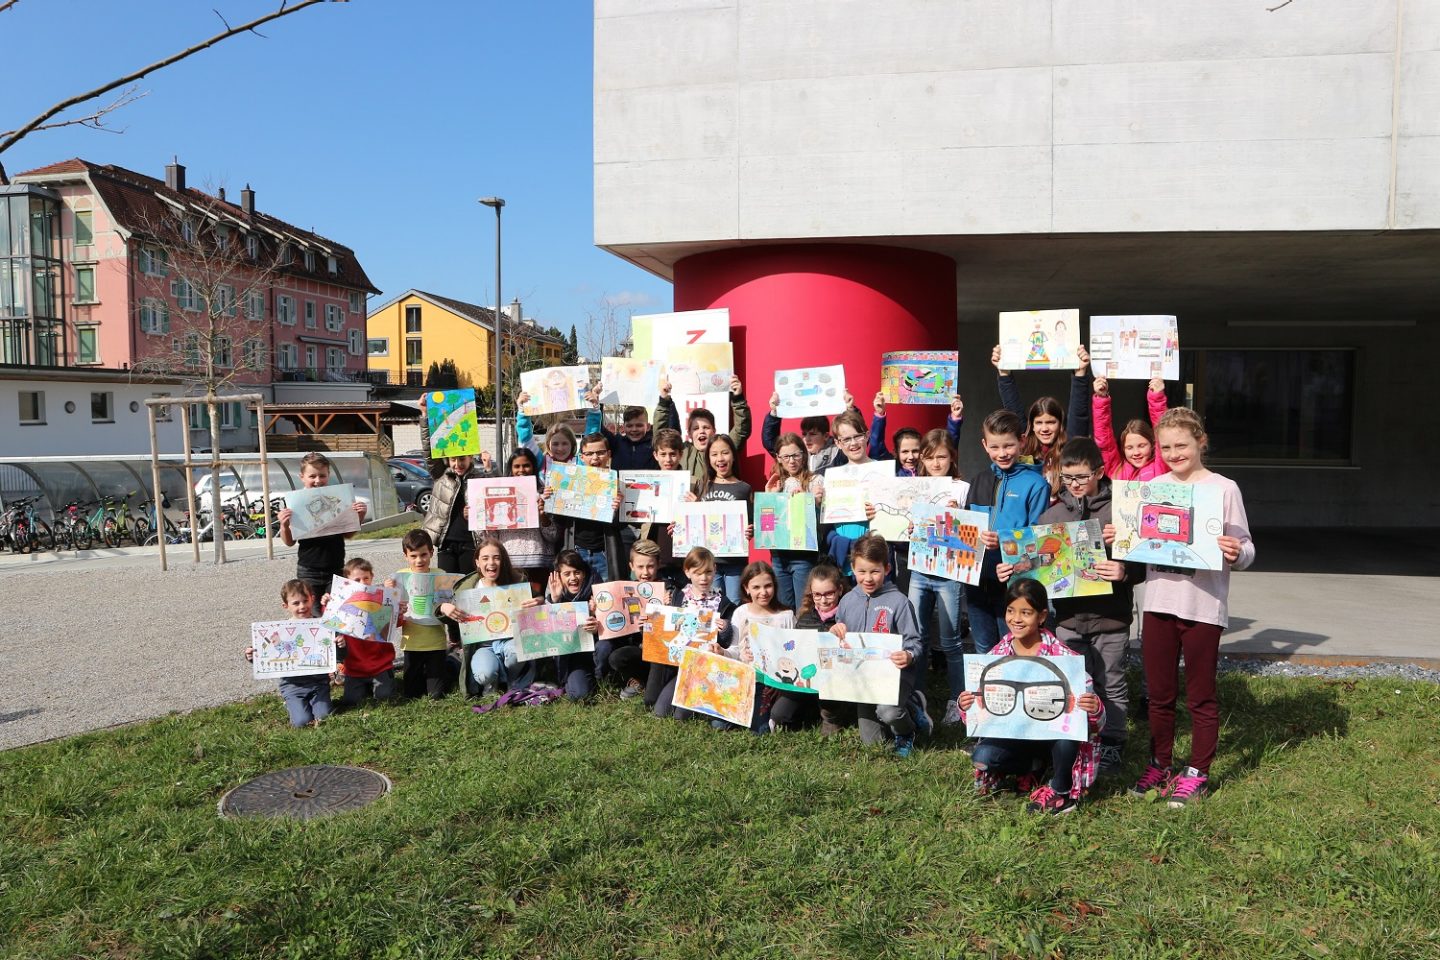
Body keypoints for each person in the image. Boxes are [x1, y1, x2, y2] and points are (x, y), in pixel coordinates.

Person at [1129, 408, 1255, 808]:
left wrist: (1237, 552)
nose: (1172, 453)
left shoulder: (1224, 489)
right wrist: (1122, 534)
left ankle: (1197, 772)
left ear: (1201, 441)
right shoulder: (1151, 486)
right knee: (1160, 695)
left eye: (1180, 445)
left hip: (1203, 606)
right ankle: (1160, 763)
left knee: (1201, 696)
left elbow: (1248, 548)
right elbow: (1138, 542)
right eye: (1165, 447)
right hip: (1159, 604)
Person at [997, 437, 1139, 772]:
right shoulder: (1052, 514)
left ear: (1100, 472)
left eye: (1081, 477)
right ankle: (1074, 739)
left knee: (1112, 682)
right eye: (1067, 478)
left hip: (1112, 618)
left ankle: (1113, 742)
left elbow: (1144, 563)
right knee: (1071, 682)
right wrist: (1012, 570)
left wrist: (1123, 570)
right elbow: (1034, 567)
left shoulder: (1121, 510)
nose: (1074, 484)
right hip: (1069, 621)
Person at [960, 579, 1105, 814]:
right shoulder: (997, 655)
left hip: (1053, 740)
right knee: (982, 756)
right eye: (1010, 611)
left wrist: (1093, 707)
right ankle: (1031, 766)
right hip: (1017, 736)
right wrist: (966, 705)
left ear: (1041, 616)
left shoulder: (1063, 658)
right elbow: (979, 715)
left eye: (1025, 612)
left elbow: (1096, 722)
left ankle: (1060, 790)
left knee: (1068, 732)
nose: (1016, 619)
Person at [827, 534, 926, 757]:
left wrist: (909, 655)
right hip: (863, 680)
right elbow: (840, 635)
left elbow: (915, 641)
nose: (868, 578)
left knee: (888, 712)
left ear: (887, 568)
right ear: (852, 568)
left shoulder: (899, 602)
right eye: (862, 571)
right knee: (872, 743)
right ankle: (908, 708)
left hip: (895, 676)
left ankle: (908, 729)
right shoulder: (847, 601)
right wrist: (835, 632)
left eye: (875, 571)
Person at [963, 410, 1051, 654]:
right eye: (995, 447)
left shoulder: (1037, 484)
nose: (1002, 453)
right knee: (984, 647)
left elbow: (1038, 536)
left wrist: (1002, 540)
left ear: (1022, 441)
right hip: (977, 579)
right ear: (984, 445)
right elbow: (966, 529)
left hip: (1014, 582)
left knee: (1014, 645)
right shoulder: (978, 481)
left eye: (1009, 445)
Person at [908, 427, 971, 726]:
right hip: (919, 569)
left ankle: (956, 700)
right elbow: (901, 522)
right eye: (930, 457)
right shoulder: (914, 486)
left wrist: (961, 514)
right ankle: (916, 696)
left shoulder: (961, 487)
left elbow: (972, 533)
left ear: (952, 457)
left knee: (951, 641)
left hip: (949, 572)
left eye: (942, 457)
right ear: (922, 458)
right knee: (916, 636)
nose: (936, 463)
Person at [440, 538, 540, 696]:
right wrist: (443, 607)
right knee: (484, 673)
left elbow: (537, 598)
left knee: (516, 651)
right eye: (485, 558)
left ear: (503, 560)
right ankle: (491, 681)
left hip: (510, 641)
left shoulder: (517, 581)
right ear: (477, 562)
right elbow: (447, 614)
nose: (491, 563)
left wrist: (538, 601)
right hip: (483, 647)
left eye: (496, 557)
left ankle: (513, 680)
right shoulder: (467, 588)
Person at [992, 343, 1094, 493]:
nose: (1044, 428)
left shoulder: (1070, 448)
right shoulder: (1024, 446)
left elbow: (1079, 415)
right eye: (1039, 423)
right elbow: (1013, 410)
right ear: (1031, 425)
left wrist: (1080, 374)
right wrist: (1004, 373)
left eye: (1051, 422)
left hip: (1062, 515)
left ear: (1060, 424)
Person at [648, 546, 736, 718]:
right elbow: (666, 630)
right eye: (697, 573)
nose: (704, 578)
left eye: (708, 572)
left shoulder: (723, 602)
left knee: (680, 716)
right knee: (660, 711)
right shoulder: (678, 597)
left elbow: (727, 642)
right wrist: (653, 619)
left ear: (715, 570)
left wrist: (725, 628)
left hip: (705, 669)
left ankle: (701, 702)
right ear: (687, 572)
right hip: (679, 667)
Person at [278, 451, 367, 612]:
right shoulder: (295, 503)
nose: (318, 480)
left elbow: (348, 534)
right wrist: (284, 525)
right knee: (311, 613)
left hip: (336, 568)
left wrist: (359, 516)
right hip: (308, 570)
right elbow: (289, 542)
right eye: (312, 476)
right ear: (302, 477)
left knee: (335, 612)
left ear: (328, 475)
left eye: (322, 475)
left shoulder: (338, 499)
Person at [244, 579, 332, 727]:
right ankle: (292, 703)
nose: (302, 606)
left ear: (313, 599)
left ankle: (312, 704)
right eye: (296, 603)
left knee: (324, 717)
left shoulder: (323, 627)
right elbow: (268, 653)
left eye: (305, 601)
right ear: (286, 606)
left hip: (319, 684)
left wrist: (340, 644)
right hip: (292, 686)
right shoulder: (279, 630)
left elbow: (335, 650)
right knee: (301, 722)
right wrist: (252, 656)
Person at [542, 432, 624, 582]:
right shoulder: (569, 479)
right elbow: (559, 522)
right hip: (576, 551)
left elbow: (622, 525)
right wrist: (551, 498)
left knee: (604, 600)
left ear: (609, 454)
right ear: (582, 457)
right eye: (590, 453)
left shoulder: (617, 484)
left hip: (604, 553)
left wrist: (618, 509)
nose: (595, 458)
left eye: (600, 453)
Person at [604, 539, 680, 700]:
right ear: (631, 566)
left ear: (659, 564)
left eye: (650, 566)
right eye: (640, 567)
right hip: (639, 649)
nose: (645, 572)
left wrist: (670, 607)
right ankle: (639, 680)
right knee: (616, 657)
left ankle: (658, 682)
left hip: (662, 652)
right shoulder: (625, 590)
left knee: (651, 700)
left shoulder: (670, 589)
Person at [726, 560, 796, 732]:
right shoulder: (741, 613)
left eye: (768, 586)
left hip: (773, 682)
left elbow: (793, 656)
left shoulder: (786, 616)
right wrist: (721, 651)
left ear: (775, 586)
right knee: (720, 724)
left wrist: (780, 683)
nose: (763, 592)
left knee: (760, 730)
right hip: (744, 678)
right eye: (756, 587)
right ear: (746, 588)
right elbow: (735, 650)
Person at [388, 529, 454, 700]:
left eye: (424, 554)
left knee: (436, 694)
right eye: (414, 556)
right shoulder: (399, 577)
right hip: (412, 644)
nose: (419, 560)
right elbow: (388, 612)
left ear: (431, 552)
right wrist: (389, 591)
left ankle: (453, 663)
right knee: (411, 693)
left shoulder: (440, 575)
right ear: (406, 555)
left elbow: (448, 606)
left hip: (436, 644)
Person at [762, 431, 825, 610]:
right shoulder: (775, 483)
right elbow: (767, 528)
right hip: (779, 556)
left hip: (804, 556)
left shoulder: (816, 481)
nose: (792, 460)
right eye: (786, 456)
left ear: (804, 455)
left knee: (804, 609)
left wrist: (814, 503)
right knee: (783, 609)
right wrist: (770, 498)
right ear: (778, 458)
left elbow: (824, 522)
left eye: (796, 455)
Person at [781, 563, 847, 733]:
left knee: (829, 715)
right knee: (780, 714)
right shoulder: (804, 618)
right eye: (817, 595)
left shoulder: (847, 617)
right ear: (811, 593)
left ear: (840, 590)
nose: (823, 600)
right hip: (805, 678)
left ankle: (831, 716)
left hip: (834, 681)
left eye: (829, 594)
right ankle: (807, 709)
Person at [653, 374, 752, 486]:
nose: (701, 431)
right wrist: (664, 400)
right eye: (695, 428)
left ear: (714, 430)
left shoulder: (722, 448)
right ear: (689, 433)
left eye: (706, 427)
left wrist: (738, 398)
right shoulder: (682, 450)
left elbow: (741, 430)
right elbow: (660, 437)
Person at [689, 434, 753, 603]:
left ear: (733, 455)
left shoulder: (744, 488)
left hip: (735, 562)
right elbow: (691, 524)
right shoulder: (701, 486)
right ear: (708, 458)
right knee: (710, 604)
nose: (720, 459)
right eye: (714, 454)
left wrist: (750, 530)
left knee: (733, 604)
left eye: (725, 453)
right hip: (707, 563)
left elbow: (752, 525)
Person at [490, 448, 561, 596]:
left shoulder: (546, 494)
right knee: (511, 609)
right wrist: (479, 516)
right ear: (510, 468)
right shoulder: (498, 494)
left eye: (526, 465)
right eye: (517, 466)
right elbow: (491, 536)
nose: (521, 470)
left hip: (538, 566)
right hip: (509, 565)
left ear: (534, 467)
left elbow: (553, 536)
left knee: (536, 610)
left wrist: (542, 515)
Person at [331, 557, 395, 707]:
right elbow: (328, 618)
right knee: (352, 701)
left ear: (372, 577)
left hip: (380, 665)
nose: (362, 583)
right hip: (355, 669)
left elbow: (395, 623)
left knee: (384, 697)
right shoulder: (340, 602)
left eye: (366, 578)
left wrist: (398, 609)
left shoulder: (382, 598)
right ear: (347, 581)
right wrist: (326, 601)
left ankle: (384, 679)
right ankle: (364, 686)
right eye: (357, 579)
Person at [543, 550, 604, 701]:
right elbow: (548, 636)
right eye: (567, 574)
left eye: (577, 572)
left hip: (597, 649)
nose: (573, 578)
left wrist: (597, 623)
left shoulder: (597, 588)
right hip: (574, 656)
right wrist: (555, 601)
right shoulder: (553, 592)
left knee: (606, 647)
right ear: (559, 576)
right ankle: (579, 680)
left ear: (584, 573)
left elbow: (612, 625)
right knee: (580, 694)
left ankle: (604, 677)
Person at [822, 410, 876, 574]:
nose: (853, 443)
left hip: (873, 556)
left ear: (867, 435)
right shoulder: (832, 477)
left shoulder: (882, 471)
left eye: (857, 436)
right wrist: (819, 503)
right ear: (838, 443)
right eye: (846, 439)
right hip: (843, 560)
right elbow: (826, 523)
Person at [761, 391, 861, 473]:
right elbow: (770, 443)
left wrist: (850, 409)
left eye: (813, 434)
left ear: (826, 436)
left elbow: (857, 436)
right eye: (804, 434)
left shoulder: (839, 452)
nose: (807, 438)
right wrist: (774, 413)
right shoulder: (797, 453)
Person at [420, 453, 485, 576]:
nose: (457, 464)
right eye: (453, 459)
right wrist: (431, 433)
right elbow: (429, 453)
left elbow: (493, 497)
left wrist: (489, 468)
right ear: (447, 460)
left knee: (468, 587)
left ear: (470, 458)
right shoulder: (441, 475)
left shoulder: (479, 478)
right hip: (446, 544)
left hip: (470, 543)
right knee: (446, 589)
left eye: (462, 459)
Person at [1093, 376, 1169, 481]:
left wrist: (1156, 398)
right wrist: (1101, 398)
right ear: (1123, 449)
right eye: (1129, 447)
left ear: (1152, 444)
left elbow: (1164, 434)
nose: (1136, 452)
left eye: (1142, 446)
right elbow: (1104, 441)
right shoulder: (1116, 468)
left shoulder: (1161, 467)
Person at [868, 393, 965, 473]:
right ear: (896, 452)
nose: (910, 457)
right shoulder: (892, 470)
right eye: (905, 452)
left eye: (915, 451)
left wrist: (955, 418)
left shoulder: (928, 471)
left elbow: (948, 444)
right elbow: (877, 446)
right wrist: (879, 414)